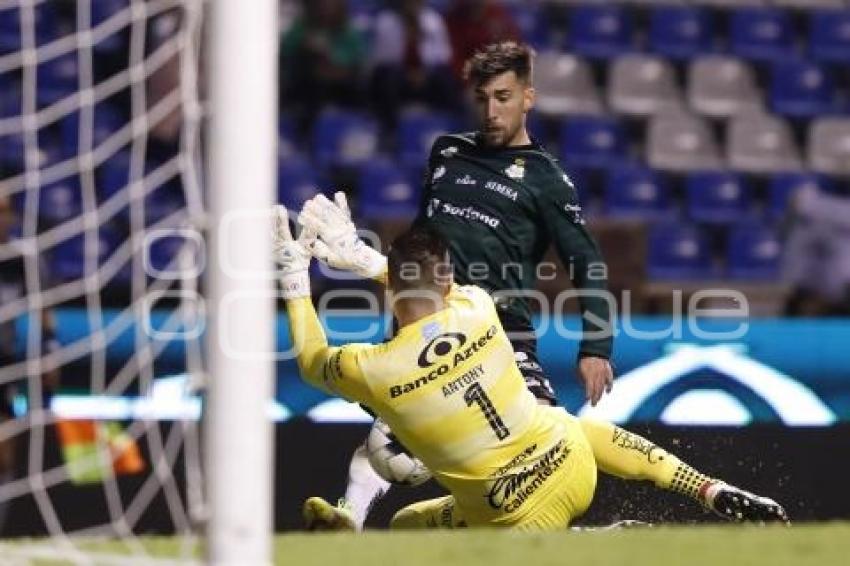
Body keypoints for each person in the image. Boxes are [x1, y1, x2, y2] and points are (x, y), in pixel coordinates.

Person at [274, 216, 789, 529]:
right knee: (568, 425)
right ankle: (706, 487)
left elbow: (313, 360)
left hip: (510, 515)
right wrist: (367, 259)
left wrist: (295, 281)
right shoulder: (477, 306)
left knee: (409, 522)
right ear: (448, 278)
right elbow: (425, 282)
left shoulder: (371, 367)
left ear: (393, 292)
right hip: (573, 468)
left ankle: (588, 543)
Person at [303, 40, 616, 530]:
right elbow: (424, 234)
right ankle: (351, 519)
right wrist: (390, 280)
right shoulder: (447, 150)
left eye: (504, 97)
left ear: (528, 97)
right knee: (393, 432)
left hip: (499, 327)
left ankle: (581, 533)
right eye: (483, 98)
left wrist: (596, 344)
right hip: (426, 316)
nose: (492, 111)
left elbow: (588, 262)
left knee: (545, 442)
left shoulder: (547, 180)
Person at [0, 195, 60, 532]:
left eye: (4, 211)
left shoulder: (23, 259)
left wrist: (50, 351)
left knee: (5, 454)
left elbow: (44, 311)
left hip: (3, 363)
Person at [281, 0, 368, 134]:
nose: (326, 7)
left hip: (340, 84)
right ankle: (303, 134)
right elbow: (286, 51)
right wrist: (305, 44)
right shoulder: (302, 27)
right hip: (308, 84)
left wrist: (329, 54)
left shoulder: (347, 31)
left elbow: (354, 60)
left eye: (331, 4)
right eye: (322, 3)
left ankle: (367, 129)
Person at [369, 0, 457, 130]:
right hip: (398, 74)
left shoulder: (433, 21)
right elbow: (383, 58)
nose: (412, 6)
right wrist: (406, 36)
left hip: (426, 74)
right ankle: (390, 131)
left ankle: (450, 128)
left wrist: (424, 71)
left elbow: (444, 55)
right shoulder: (386, 22)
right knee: (386, 78)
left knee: (447, 79)